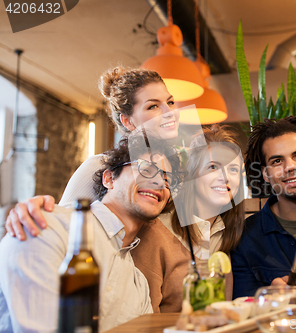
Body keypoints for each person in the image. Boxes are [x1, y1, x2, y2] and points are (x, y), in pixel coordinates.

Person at [0, 132, 181, 332]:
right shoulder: (46, 225)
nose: (159, 183)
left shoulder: (138, 282)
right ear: (109, 179)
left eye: (167, 179)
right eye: (146, 169)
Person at [4, 66, 180, 239]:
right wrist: (28, 213)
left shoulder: (173, 170)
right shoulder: (100, 165)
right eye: (153, 106)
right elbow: (62, 223)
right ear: (127, 121)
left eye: (170, 102)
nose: (169, 112)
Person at [133, 125, 245, 312]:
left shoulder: (227, 234)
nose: (224, 177)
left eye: (233, 169)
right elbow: (142, 320)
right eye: (213, 167)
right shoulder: (156, 232)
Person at [231, 116, 296, 310]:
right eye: (277, 161)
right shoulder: (246, 239)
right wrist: (268, 300)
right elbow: (244, 310)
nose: (290, 167)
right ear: (265, 174)